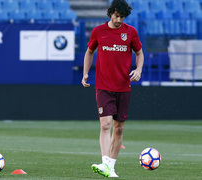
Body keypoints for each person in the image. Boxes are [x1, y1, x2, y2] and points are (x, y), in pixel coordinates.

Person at [81, 0, 144, 178]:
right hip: (104, 86)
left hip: (123, 86)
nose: (119, 20)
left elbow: (139, 53)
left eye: (122, 17)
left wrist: (138, 70)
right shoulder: (98, 31)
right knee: (106, 124)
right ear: (111, 13)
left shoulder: (130, 32)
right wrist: (86, 73)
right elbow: (89, 51)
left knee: (119, 129)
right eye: (117, 16)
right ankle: (104, 162)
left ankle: (110, 167)